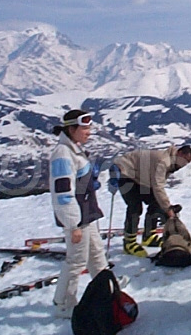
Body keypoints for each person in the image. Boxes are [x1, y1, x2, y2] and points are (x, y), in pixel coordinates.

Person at [49, 110, 112, 318]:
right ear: (71, 129)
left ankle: (106, 290)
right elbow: (63, 193)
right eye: (84, 128)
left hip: (87, 213)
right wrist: (72, 224)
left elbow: (78, 180)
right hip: (77, 218)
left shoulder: (74, 149)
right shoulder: (62, 154)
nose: (88, 132)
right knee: (76, 261)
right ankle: (64, 303)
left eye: (89, 127)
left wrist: (89, 180)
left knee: (96, 254)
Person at [109, 145, 191, 257]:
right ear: (180, 154)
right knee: (135, 207)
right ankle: (129, 243)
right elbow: (158, 186)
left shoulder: (172, 161)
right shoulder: (164, 161)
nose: (184, 165)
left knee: (156, 203)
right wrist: (168, 209)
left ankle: (149, 236)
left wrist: (164, 206)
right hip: (125, 172)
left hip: (139, 177)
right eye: (185, 161)